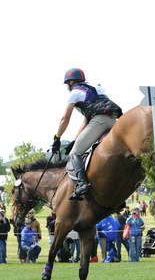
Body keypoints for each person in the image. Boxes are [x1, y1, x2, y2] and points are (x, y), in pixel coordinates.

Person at [51, 68, 123, 200]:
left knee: (75, 153)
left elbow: (65, 119)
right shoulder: (97, 88)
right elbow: (86, 119)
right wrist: (75, 139)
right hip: (114, 120)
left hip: (100, 122)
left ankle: (82, 184)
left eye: (68, 84)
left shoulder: (75, 93)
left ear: (71, 82)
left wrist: (57, 137)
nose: (68, 87)